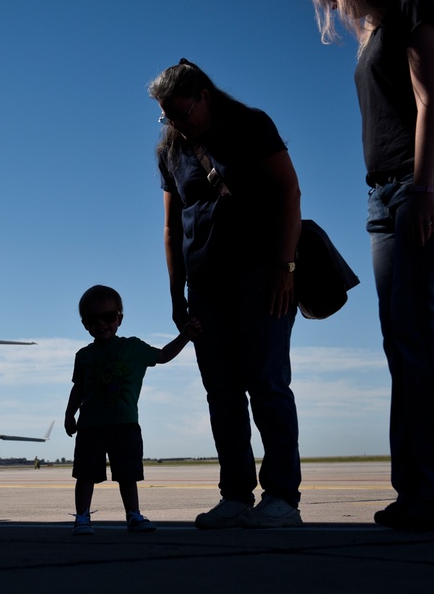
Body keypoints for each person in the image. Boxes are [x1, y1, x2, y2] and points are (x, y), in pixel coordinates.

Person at [307, 0, 434, 531]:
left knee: (416, 331)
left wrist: (427, 188)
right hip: (383, 195)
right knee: (401, 339)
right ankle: (423, 490)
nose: (336, 2)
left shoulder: (412, 8)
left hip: (420, 186)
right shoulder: (372, 32)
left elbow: (431, 101)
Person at [149, 60, 304, 529]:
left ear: (204, 95)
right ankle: (236, 495)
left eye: (181, 112)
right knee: (222, 393)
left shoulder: (250, 125)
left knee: (267, 384)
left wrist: (285, 267)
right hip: (205, 288)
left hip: (262, 278)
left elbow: (289, 192)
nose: (176, 123)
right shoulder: (170, 150)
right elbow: (171, 227)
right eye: (166, 116)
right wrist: (177, 297)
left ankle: (281, 498)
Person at [64, 285, 201, 535]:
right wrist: (69, 414)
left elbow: (162, 356)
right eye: (93, 319)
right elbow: (78, 388)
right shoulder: (83, 355)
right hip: (90, 426)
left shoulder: (133, 348)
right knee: (85, 475)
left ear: (119, 319)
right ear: (84, 323)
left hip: (124, 424)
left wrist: (185, 335)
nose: (101, 323)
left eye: (108, 317)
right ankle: (82, 517)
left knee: (127, 474)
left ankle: (133, 516)